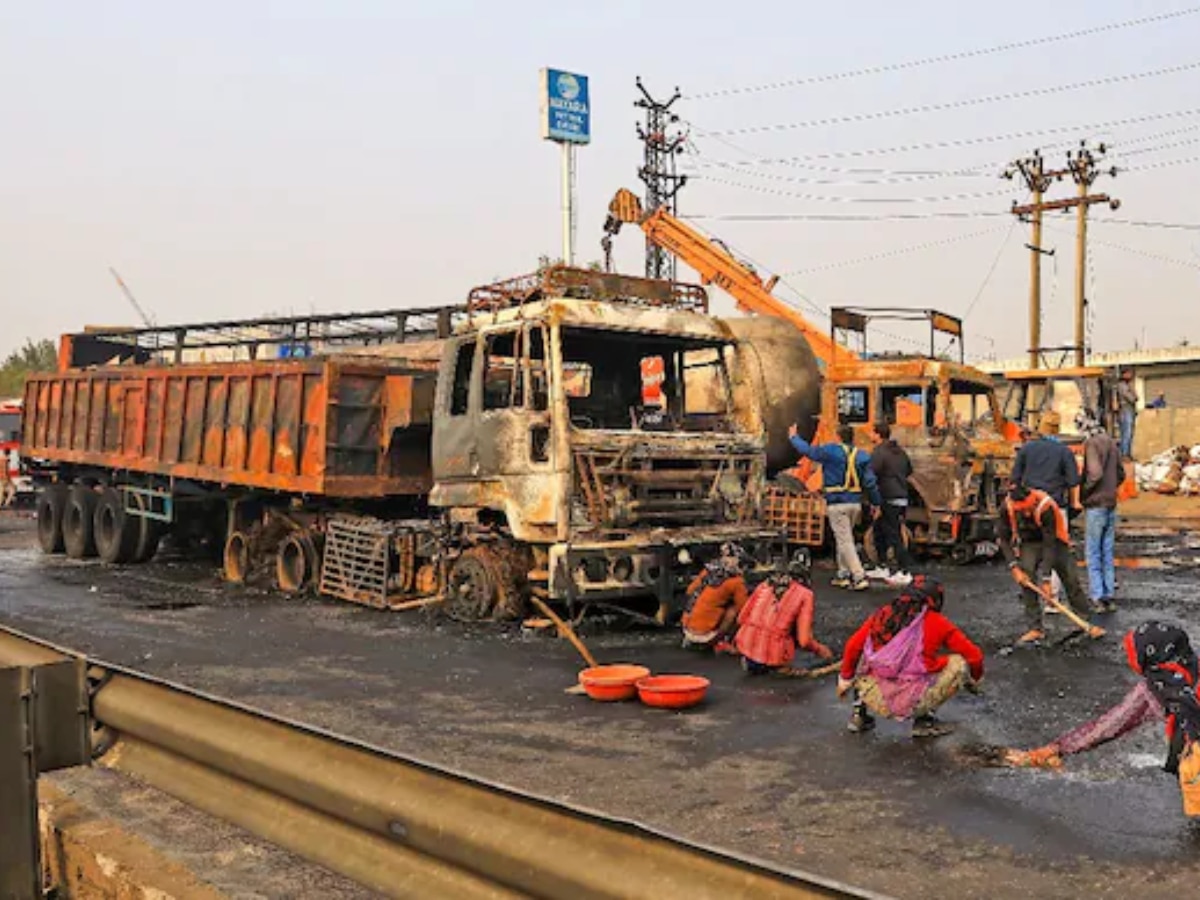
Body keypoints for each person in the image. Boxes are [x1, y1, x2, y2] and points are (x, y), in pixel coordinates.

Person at [1006, 621, 1200, 819]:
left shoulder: (1157, 689)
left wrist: (1058, 748)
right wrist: (1059, 748)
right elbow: (1112, 724)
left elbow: (1111, 725)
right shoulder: (1181, 673)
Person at [837, 575, 984, 738]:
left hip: (875, 697)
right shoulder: (938, 622)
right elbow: (975, 656)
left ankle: (859, 715)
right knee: (957, 663)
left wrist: (845, 680)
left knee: (866, 654)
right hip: (913, 702)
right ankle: (924, 721)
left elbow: (852, 646)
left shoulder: (882, 615)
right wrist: (974, 680)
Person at [998, 482, 1099, 646]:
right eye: (1019, 508)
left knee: (1070, 578)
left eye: (1025, 507)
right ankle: (1035, 628)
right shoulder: (1007, 507)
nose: (1023, 510)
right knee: (1027, 579)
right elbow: (1003, 539)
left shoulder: (1046, 506)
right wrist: (1014, 567)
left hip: (1055, 542)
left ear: (1030, 498)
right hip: (1029, 542)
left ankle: (1085, 620)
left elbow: (1049, 544)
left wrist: (1046, 579)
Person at [788, 422, 882, 591]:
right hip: (855, 504)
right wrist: (876, 502)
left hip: (837, 503)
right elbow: (870, 482)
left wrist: (794, 437)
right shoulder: (862, 455)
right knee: (844, 538)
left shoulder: (831, 451)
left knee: (845, 540)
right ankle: (843, 574)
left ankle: (858, 576)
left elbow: (809, 451)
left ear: (837, 437)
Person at [736, 549, 834, 676]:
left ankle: (755, 661)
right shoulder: (805, 594)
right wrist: (821, 650)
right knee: (795, 628)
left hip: (745, 647)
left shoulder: (765, 585)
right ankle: (780, 666)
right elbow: (804, 641)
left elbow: (741, 618)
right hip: (774, 656)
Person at [1078, 412, 1122, 614]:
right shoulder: (1112, 443)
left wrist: (1085, 492)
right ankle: (1109, 596)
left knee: (1093, 552)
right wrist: (1111, 488)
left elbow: (1095, 474)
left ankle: (1097, 597)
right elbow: (1120, 473)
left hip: (1096, 505)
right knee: (1107, 551)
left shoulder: (1092, 444)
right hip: (1111, 503)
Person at [866, 421, 914, 587]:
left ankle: (904, 571)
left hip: (887, 497)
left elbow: (870, 475)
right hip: (902, 495)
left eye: (871, 432)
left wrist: (873, 498)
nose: (869, 435)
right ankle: (882, 566)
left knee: (893, 534)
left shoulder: (879, 452)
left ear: (878, 434)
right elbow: (909, 470)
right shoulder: (900, 452)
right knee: (880, 530)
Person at [681, 543, 749, 653]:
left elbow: (690, 590)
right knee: (733, 610)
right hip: (705, 636)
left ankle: (690, 638)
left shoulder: (707, 570)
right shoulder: (736, 581)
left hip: (686, 629)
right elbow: (744, 607)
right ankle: (721, 640)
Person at [1011, 410, 1080, 517]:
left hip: (1030, 505)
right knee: (1059, 533)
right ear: (1057, 428)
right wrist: (1075, 503)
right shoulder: (1064, 451)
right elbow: (1073, 481)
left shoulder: (1026, 448)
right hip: (1054, 505)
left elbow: (1015, 478)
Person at [1115, 369, 1139, 459]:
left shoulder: (1127, 385)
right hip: (1125, 409)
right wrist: (1133, 394)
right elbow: (1132, 398)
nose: (1131, 375)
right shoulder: (1122, 385)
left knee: (1129, 433)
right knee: (1127, 433)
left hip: (1128, 409)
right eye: (1129, 373)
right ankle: (1124, 454)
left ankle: (1127, 453)